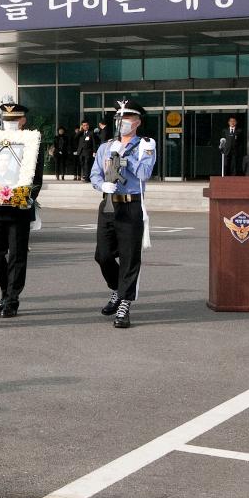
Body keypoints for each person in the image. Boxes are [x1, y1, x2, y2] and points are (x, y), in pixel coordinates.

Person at [91, 100, 157, 329]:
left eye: (127, 119)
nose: (122, 123)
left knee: (129, 257)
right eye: (119, 119)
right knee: (103, 255)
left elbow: (145, 173)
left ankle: (125, 303)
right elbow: (94, 175)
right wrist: (101, 186)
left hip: (131, 205)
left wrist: (124, 159)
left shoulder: (145, 145)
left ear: (137, 122)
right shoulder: (105, 146)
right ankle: (117, 289)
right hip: (109, 204)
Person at [0, 103, 43, 319]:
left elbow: (37, 179)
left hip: (18, 208)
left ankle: (12, 299)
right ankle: (6, 289)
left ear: (22, 121)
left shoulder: (32, 144)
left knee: (17, 255)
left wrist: (27, 197)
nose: (10, 124)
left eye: (14, 120)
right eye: (6, 120)